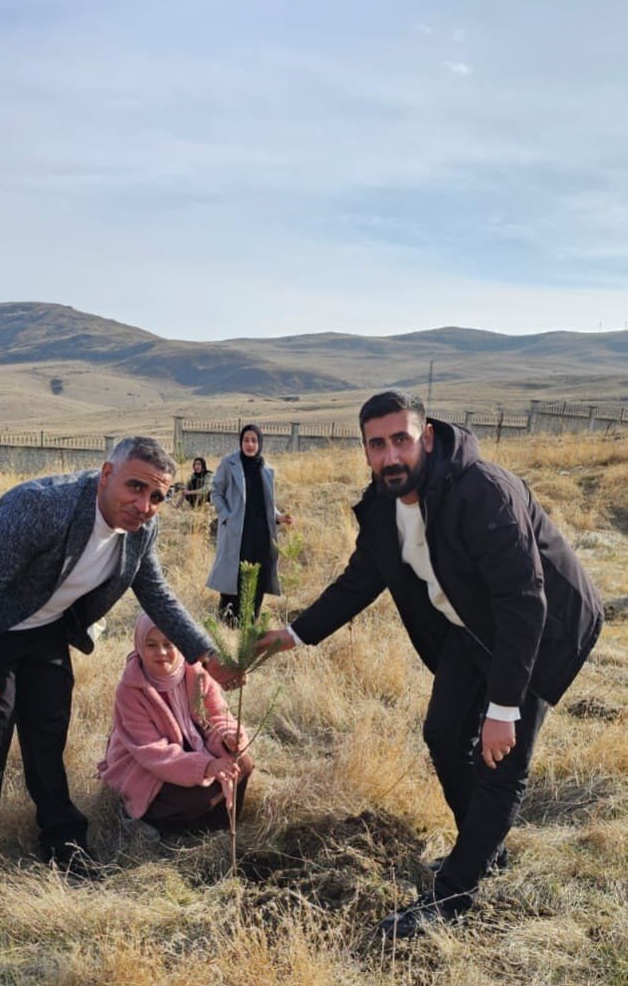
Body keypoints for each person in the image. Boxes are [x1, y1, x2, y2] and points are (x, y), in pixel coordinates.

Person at [258, 389, 603, 939]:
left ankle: (453, 895)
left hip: (542, 629)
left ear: (428, 437)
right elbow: (359, 581)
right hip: (471, 627)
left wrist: (504, 706)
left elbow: (523, 603)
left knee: (500, 762)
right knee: (443, 733)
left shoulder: (482, 492)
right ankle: (482, 851)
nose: (390, 456)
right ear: (365, 450)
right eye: (377, 445)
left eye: (402, 439)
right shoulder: (381, 506)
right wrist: (294, 633)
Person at [0, 436, 237, 876]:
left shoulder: (142, 529)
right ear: (107, 475)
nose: (144, 504)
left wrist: (206, 653)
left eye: (157, 496)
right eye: (136, 487)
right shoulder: (42, 506)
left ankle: (63, 844)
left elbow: (156, 593)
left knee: (48, 737)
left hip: (47, 629)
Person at [98, 614, 253, 837]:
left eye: (168, 644)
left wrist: (228, 737)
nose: (161, 652)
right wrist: (207, 766)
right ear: (140, 646)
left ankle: (218, 827)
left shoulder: (196, 672)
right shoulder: (130, 689)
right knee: (198, 794)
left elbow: (217, 715)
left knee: (243, 765)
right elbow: (152, 751)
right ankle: (147, 822)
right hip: (147, 765)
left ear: (181, 645)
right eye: (151, 645)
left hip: (189, 748)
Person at [207, 425, 293, 624]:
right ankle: (227, 621)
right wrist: (227, 516)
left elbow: (267, 503)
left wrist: (279, 518)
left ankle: (250, 622)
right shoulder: (229, 464)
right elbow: (216, 492)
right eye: (246, 440)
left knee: (259, 576)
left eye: (254, 440)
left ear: (260, 443)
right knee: (234, 576)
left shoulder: (266, 468)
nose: (250, 444)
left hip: (261, 533)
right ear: (241, 442)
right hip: (238, 531)